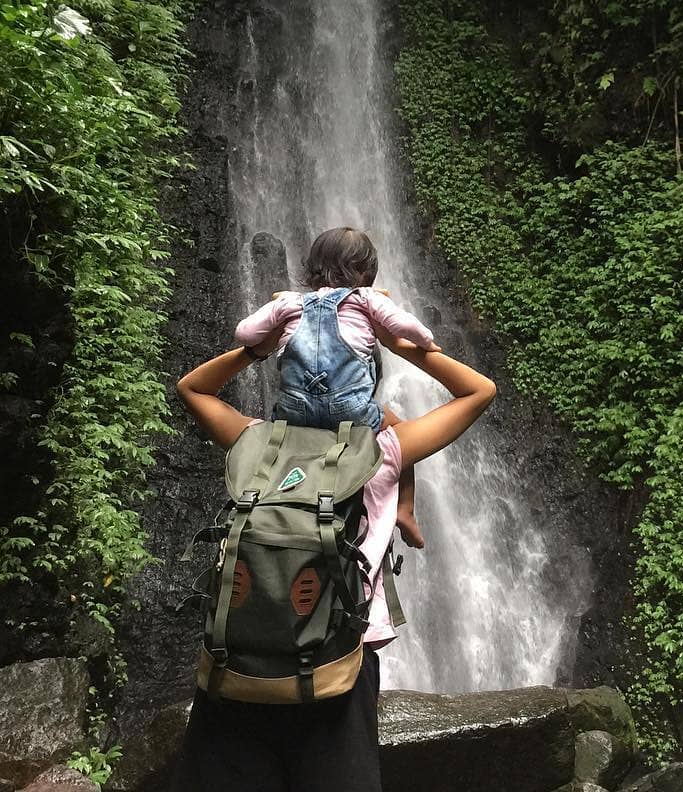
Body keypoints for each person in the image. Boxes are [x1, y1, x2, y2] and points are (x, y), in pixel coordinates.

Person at [170, 324, 496, 792]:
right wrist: (398, 343)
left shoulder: (254, 443)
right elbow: (479, 391)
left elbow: (191, 388)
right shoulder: (383, 451)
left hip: (237, 667)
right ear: (365, 384)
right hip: (337, 671)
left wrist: (256, 348)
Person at [234, 226, 438, 549]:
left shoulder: (291, 304)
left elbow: (244, 333)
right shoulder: (366, 300)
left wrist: (269, 335)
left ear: (312, 269)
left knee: (279, 421)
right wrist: (427, 342)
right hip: (352, 413)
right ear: (366, 273)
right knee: (400, 436)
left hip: (293, 417)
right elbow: (404, 326)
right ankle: (405, 511)